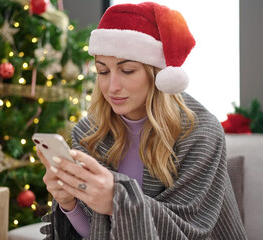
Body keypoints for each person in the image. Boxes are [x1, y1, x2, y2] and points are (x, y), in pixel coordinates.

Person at [38, 2, 247, 239]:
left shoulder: (201, 133)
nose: (112, 87)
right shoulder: (89, 133)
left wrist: (116, 200)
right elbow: (94, 233)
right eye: (103, 71)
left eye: (127, 71)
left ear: (157, 73)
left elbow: (189, 231)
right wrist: (69, 203)